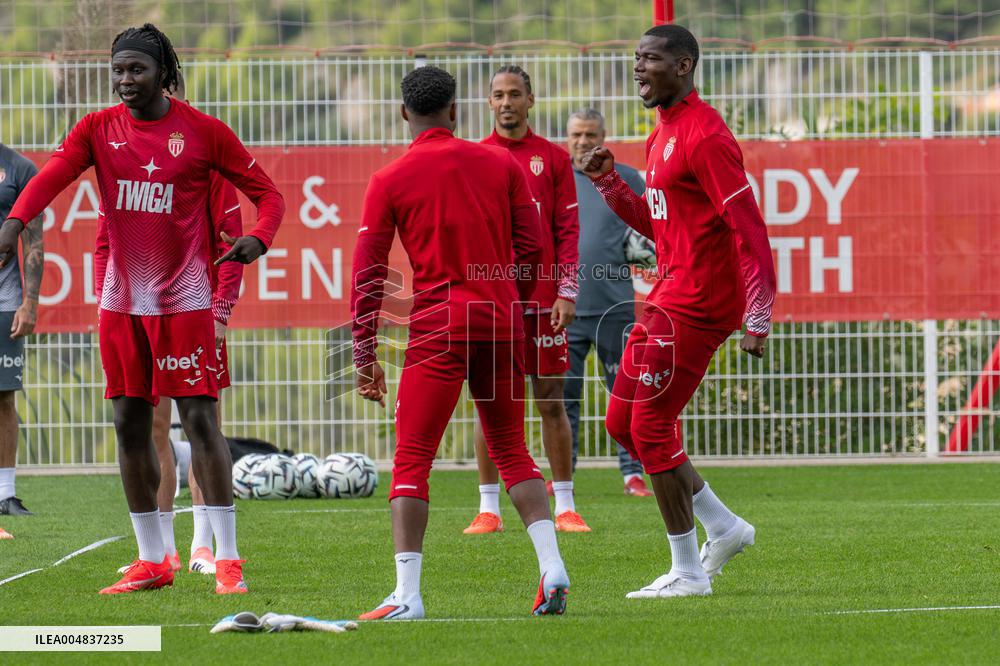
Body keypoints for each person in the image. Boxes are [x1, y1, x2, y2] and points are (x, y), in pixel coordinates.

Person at [0, 23, 285, 595]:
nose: (126, 81)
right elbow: (52, 178)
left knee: (201, 423)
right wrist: (12, 224)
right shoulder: (97, 129)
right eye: (119, 71)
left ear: (163, 73)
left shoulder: (203, 133)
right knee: (129, 426)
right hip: (121, 302)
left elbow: (270, 196)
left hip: (185, 301)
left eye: (138, 70)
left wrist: (261, 237)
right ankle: (153, 559)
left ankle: (226, 559)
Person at [352, 65, 569, 620]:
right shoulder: (499, 163)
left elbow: (368, 275)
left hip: (439, 327)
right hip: (499, 323)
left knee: (412, 458)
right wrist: (508, 303)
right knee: (512, 448)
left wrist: (363, 355)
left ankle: (407, 595)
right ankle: (552, 567)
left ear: (405, 114)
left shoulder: (389, 179)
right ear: (455, 111)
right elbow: (534, 249)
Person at [581, 24, 776, 598]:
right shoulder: (661, 132)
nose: (639, 68)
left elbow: (751, 232)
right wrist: (610, 184)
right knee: (623, 424)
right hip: (667, 297)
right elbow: (659, 225)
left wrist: (757, 315)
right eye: (636, 58)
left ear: (684, 66)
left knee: (650, 424)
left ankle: (689, 572)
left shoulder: (707, 135)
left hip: (699, 304)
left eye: (651, 59)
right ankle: (724, 526)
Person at [103, 72, 244, 575]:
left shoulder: (209, 164)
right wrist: (109, 295)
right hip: (135, 309)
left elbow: (232, 243)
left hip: (192, 309)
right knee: (149, 426)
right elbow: (107, 240)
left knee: (203, 421)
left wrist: (221, 310)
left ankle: (208, 543)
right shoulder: (124, 167)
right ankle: (161, 549)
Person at [465, 65, 589, 535]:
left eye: (515, 94)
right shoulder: (474, 156)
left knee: (551, 402)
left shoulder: (552, 159)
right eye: (498, 95)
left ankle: (566, 507)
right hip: (494, 301)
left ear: (530, 100)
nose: (506, 102)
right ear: (489, 102)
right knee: (492, 401)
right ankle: (488, 508)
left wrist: (566, 291)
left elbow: (567, 231)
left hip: (543, 303)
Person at [562, 108, 652, 498]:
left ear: (604, 135)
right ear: (567, 137)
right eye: (577, 135)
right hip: (563, 310)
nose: (583, 142)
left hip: (614, 307)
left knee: (624, 394)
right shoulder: (556, 180)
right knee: (563, 400)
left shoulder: (627, 179)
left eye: (590, 135)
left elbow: (651, 229)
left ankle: (633, 473)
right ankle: (564, 477)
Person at [0, 143, 44, 539]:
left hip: (5, 301)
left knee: (3, 397)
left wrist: (30, 302)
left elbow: (33, 240)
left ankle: (6, 493)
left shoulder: (18, 169)